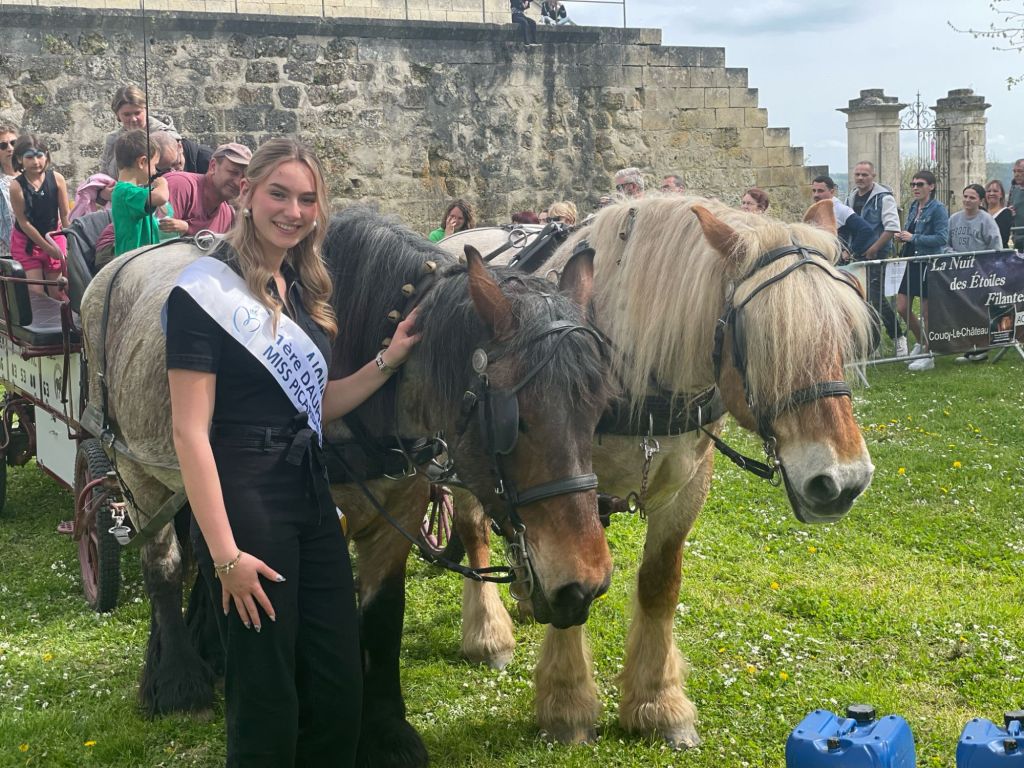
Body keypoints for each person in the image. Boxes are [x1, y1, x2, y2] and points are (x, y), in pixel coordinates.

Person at [166, 137, 420, 767]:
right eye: (278, 193)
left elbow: (318, 403)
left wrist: (389, 359)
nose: (293, 210)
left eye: (307, 199)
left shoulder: (301, 287)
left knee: (338, 679)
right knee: (265, 688)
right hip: (247, 497)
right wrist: (225, 557)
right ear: (245, 194)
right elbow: (190, 434)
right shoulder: (201, 296)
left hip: (309, 489)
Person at [94, 142, 250, 268]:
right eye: (233, 172)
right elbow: (159, 235)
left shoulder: (228, 215)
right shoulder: (181, 185)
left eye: (244, 177)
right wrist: (190, 229)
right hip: (121, 251)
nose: (238, 182)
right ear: (213, 166)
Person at [846, 160, 907, 356]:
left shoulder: (884, 198)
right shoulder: (851, 198)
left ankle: (898, 336)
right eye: (857, 175)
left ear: (873, 176)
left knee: (876, 298)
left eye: (865, 175)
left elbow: (891, 227)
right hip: (856, 254)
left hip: (876, 253)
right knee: (859, 298)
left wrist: (874, 248)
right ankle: (872, 341)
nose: (860, 178)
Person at [892, 171, 949, 372]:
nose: (915, 187)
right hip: (912, 261)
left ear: (931, 187)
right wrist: (903, 237)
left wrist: (913, 237)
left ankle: (929, 353)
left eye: (920, 184)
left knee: (927, 312)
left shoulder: (938, 209)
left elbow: (942, 238)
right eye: (913, 184)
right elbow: (911, 234)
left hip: (929, 263)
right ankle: (921, 341)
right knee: (902, 306)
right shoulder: (914, 207)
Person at [8, 134, 70, 297]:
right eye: (29, 157)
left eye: (39, 155)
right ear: (20, 159)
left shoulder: (57, 179)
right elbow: (24, 223)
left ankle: (62, 322)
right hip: (27, 241)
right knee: (36, 292)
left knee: (58, 290)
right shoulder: (16, 186)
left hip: (53, 236)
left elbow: (64, 215)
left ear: (46, 156)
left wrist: (69, 241)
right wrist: (47, 248)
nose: (36, 162)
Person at [949, 184, 1003, 366]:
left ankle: (981, 348)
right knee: (963, 310)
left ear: (980, 200)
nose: (967, 200)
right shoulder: (954, 219)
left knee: (979, 310)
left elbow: (996, 245)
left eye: (972, 197)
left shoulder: (986, 220)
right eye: (965, 196)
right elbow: (945, 243)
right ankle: (969, 347)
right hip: (959, 272)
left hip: (980, 272)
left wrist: (988, 265)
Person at [110, 129, 171, 257]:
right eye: (154, 165)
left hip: (144, 259)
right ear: (142, 162)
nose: (155, 172)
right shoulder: (124, 192)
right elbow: (161, 197)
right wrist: (163, 183)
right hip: (132, 261)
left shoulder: (134, 191)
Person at [98, 84, 175, 180]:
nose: (133, 119)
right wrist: (104, 190)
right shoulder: (113, 140)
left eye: (137, 113)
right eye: (127, 114)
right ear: (118, 115)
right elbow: (103, 176)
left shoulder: (164, 135)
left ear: (146, 110)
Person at [810, 175, 875, 261]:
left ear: (832, 191)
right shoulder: (815, 210)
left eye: (820, 191)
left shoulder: (841, 209)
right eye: (814, 191)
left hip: (837, 262)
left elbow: (866, 230)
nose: (816, 194)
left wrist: (849, 252)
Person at [0, 124, 18, 260]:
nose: (10, 148)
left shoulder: (34, 176)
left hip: (36, 247)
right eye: (3, 146)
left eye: (13, 143)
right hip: (5, 250)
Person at [984, 179, 1012, 248]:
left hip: (999, 254)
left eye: (995, 191)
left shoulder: (1006, 212)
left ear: (1001, 194)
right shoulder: (981, 212)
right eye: (988, 191)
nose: (991, 193)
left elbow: (1003, 237)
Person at [1009, 158, 1024, 252]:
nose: (1016, 174)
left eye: (1020, 171)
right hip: (1018, 239)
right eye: (1014, 171)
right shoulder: (1014, 190)